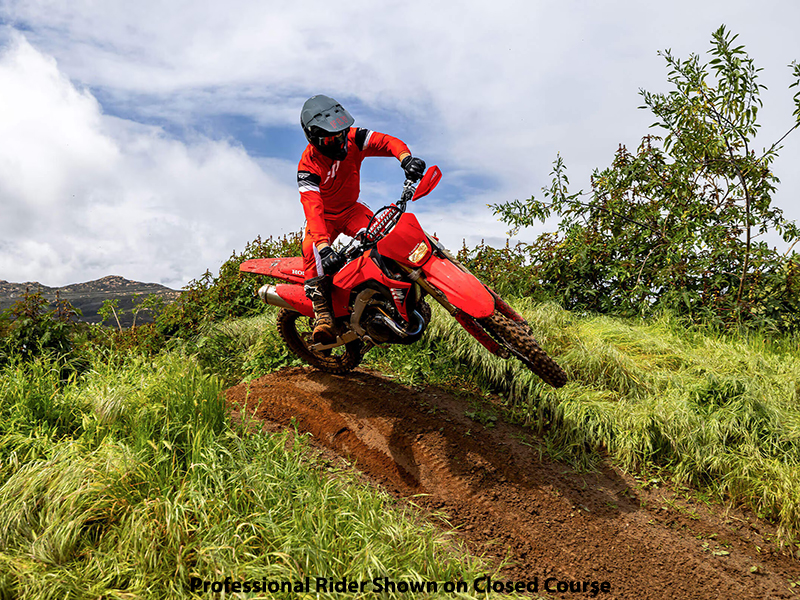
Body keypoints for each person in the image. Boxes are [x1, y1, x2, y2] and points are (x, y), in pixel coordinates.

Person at [297, 94, 425, 345]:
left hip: (352, 209)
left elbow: (386, 141)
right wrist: (324, 247)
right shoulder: (308, 165)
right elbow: (312, 209)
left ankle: (394, 293)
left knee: (384, 237)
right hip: (325, 218)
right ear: (315, 138)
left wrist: (405, 158)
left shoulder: (355, 137)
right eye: (332, 137)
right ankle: (322, 315)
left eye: (342, 133)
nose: (341, 140)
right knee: (310, 250)